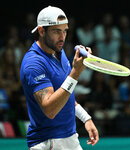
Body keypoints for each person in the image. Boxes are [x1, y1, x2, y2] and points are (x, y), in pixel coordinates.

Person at [20, 6, 99, 150]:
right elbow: (50, 109)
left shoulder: (60, 53)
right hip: (48, 142)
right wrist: (75, 73)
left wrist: (85, 118)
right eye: (56, 31)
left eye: (65, 31)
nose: (62, 37)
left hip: (70, 138)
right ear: (41, 31)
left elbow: (64, 95)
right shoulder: (33, 63)